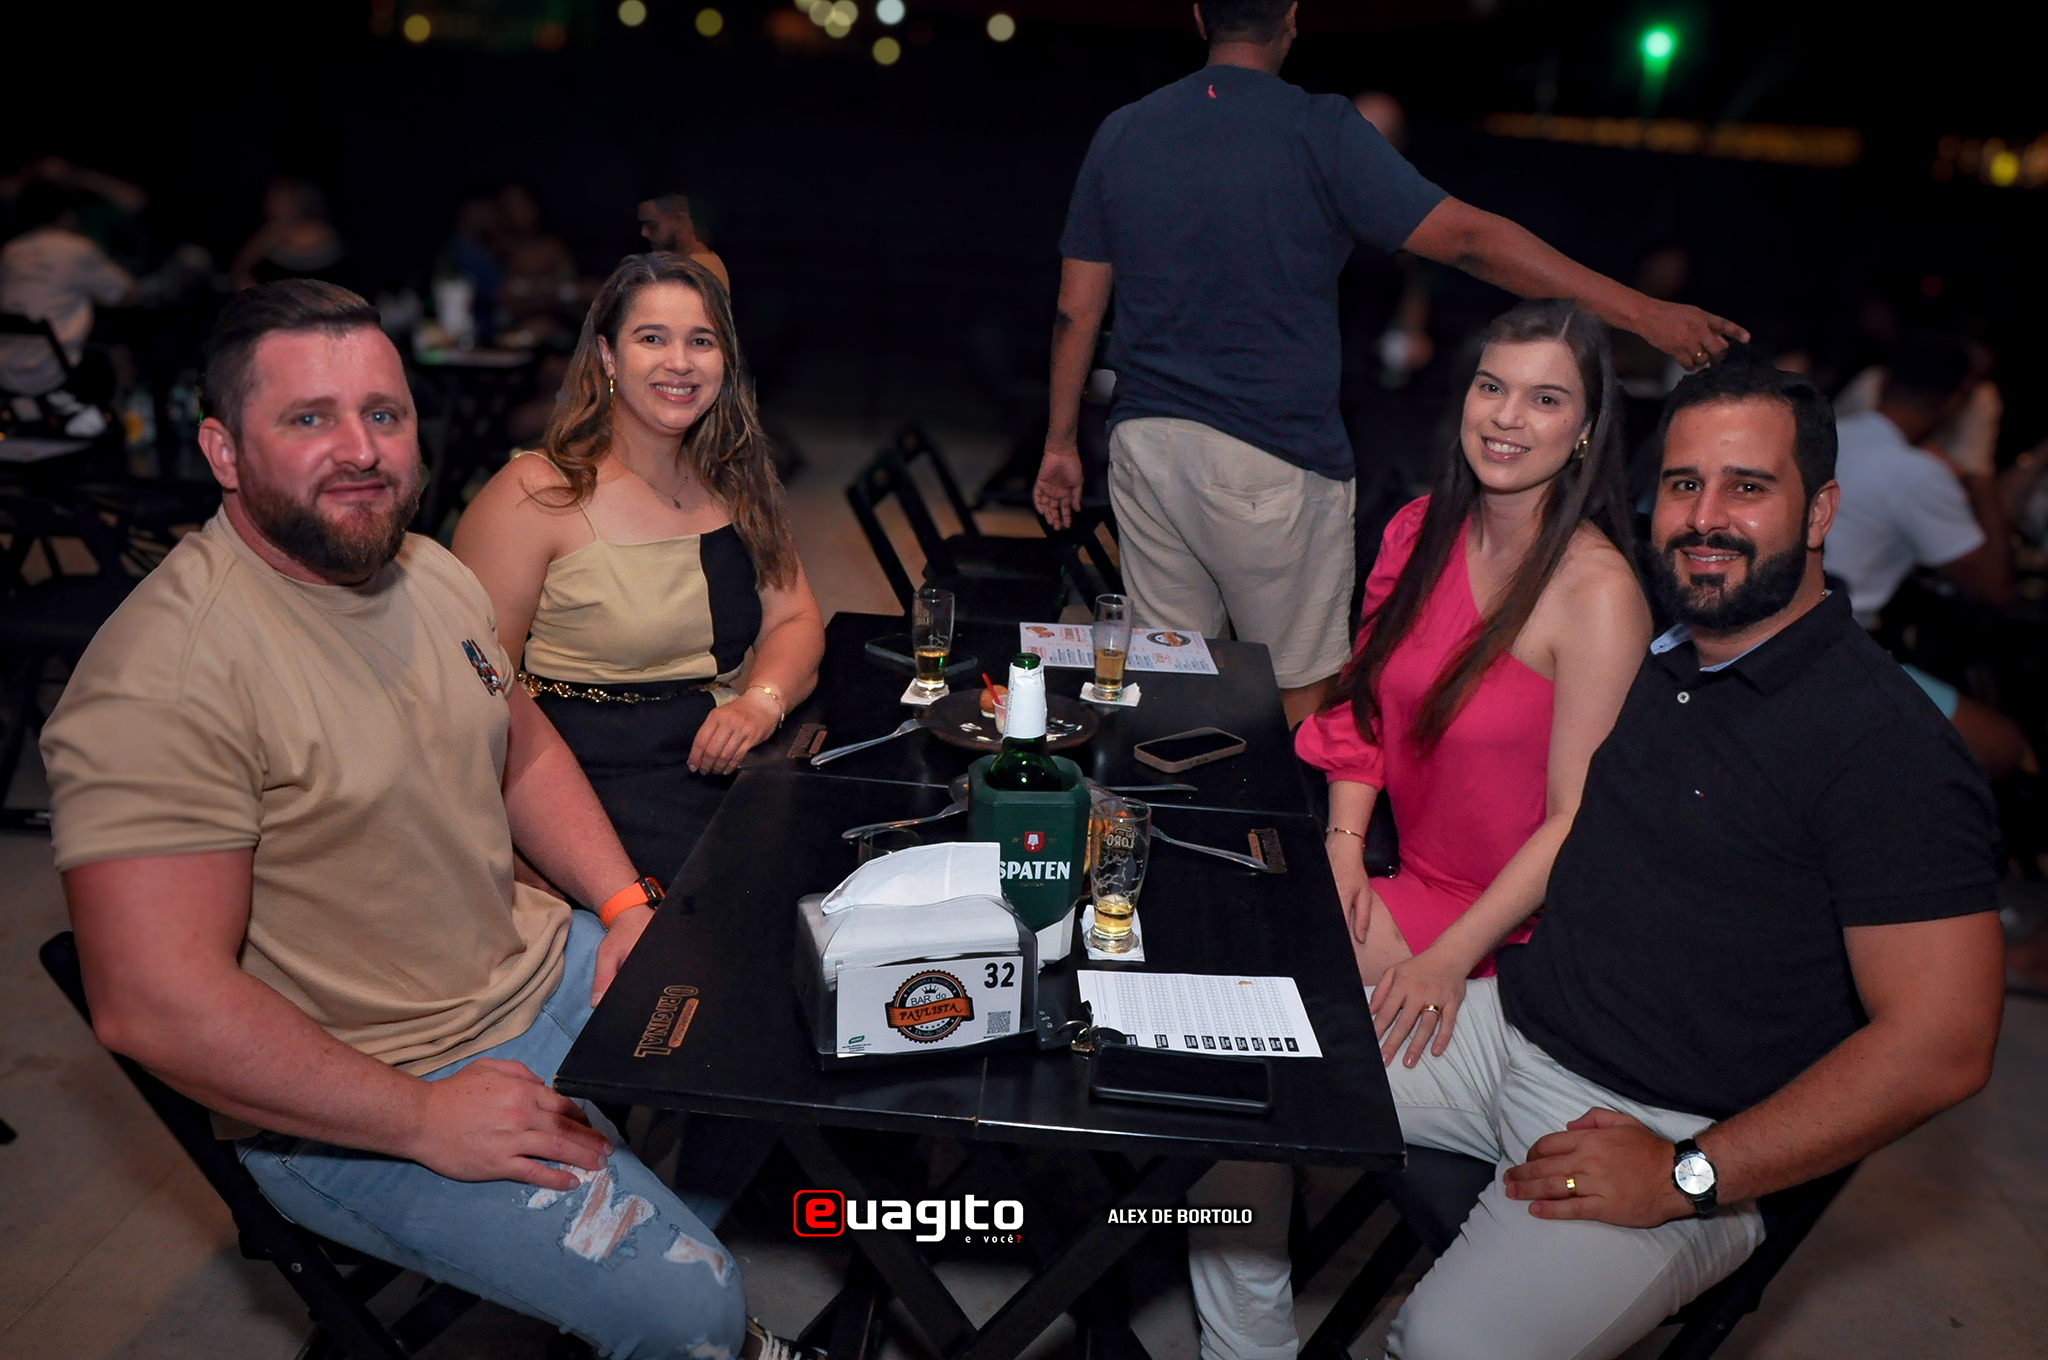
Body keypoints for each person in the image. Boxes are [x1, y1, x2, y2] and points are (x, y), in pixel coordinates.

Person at [40, 280, 790, 1360]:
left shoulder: (426, 571)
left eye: (383, 414)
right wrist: (421, 1120)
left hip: (535, 965)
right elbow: (157, 1005)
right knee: (696, 1311)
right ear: (222, 450)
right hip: (369, 1082)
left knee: (779, 1040)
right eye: (310, 417)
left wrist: (626, 905)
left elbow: (521, 745)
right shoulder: (163, 678)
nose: (361, 450)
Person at [1233, 355, 2006, 1359]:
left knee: (1446, 1346)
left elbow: (1942, 1045)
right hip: (1501, 1028)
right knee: (1224, 1079)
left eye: (1747, 486)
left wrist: (1691, 1173)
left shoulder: (1884, 746)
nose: (1704, 516)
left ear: (1819, 511)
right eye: (1683, 484)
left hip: (1668, 1128)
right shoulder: (1665, 658)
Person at [1034, 0, 1745, 727]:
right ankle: (1295, 809)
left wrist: (1060, 442)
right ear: (1292, 16)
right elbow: (1468, 240)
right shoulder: (1317, 128)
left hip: (1145, 445)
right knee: (1300, 693)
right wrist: (1643, 313)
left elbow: (1074, 311)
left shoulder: (1125, 130)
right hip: (1265, 454)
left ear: (1197, 16)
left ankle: (1180, 801)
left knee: (1173, 678)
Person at [1193, 300, 1651, 1358]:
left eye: (1545, 399)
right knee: (1216, 1029)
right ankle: (1247, 1342)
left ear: (1585, 428)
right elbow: (1362, 707)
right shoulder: (1419, 527)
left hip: (1514, 931)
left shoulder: (1595, 594)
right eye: (1492, 387)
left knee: (1250, 1060)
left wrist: (1448, 956)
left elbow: (1577, 824)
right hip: (1411, 879)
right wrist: (1343, 847)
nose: (1507, 418)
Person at [453, 252, 823, 885]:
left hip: (716, 765)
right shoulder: (536, 493)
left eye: (701, 341)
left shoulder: (735, 483)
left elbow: (795, 619)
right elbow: (474, 704)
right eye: (652, 338)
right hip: (588, 790)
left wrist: (761, 703)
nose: (680, 362)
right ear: (607, 356)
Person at [1823, 330, 2031, 776]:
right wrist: (1979, 476)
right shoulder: (1917, 474)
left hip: (1785, 629)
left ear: (1883, 381)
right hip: (1830, 650)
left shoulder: (1824, 434)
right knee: (2003, 746)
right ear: (1956, 402)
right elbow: (1996, 590)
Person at [0, 179, 137, 429]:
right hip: (54, 370)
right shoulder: (75, 248)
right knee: (120, 350)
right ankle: (123, 429)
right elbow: (127, 294)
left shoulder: (11, 251)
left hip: (6, 369)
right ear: (67, 214)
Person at [230, 176, 346, 289]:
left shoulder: (323, 232)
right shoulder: (270, 232)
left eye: (284, 201)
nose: (274, 206)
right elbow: (241, 268)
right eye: (273, 200)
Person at [638, 193, 731, 292]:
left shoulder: (699, 269)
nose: (644, 233)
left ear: (678, 219)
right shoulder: (691, 265)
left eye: (653, 226)